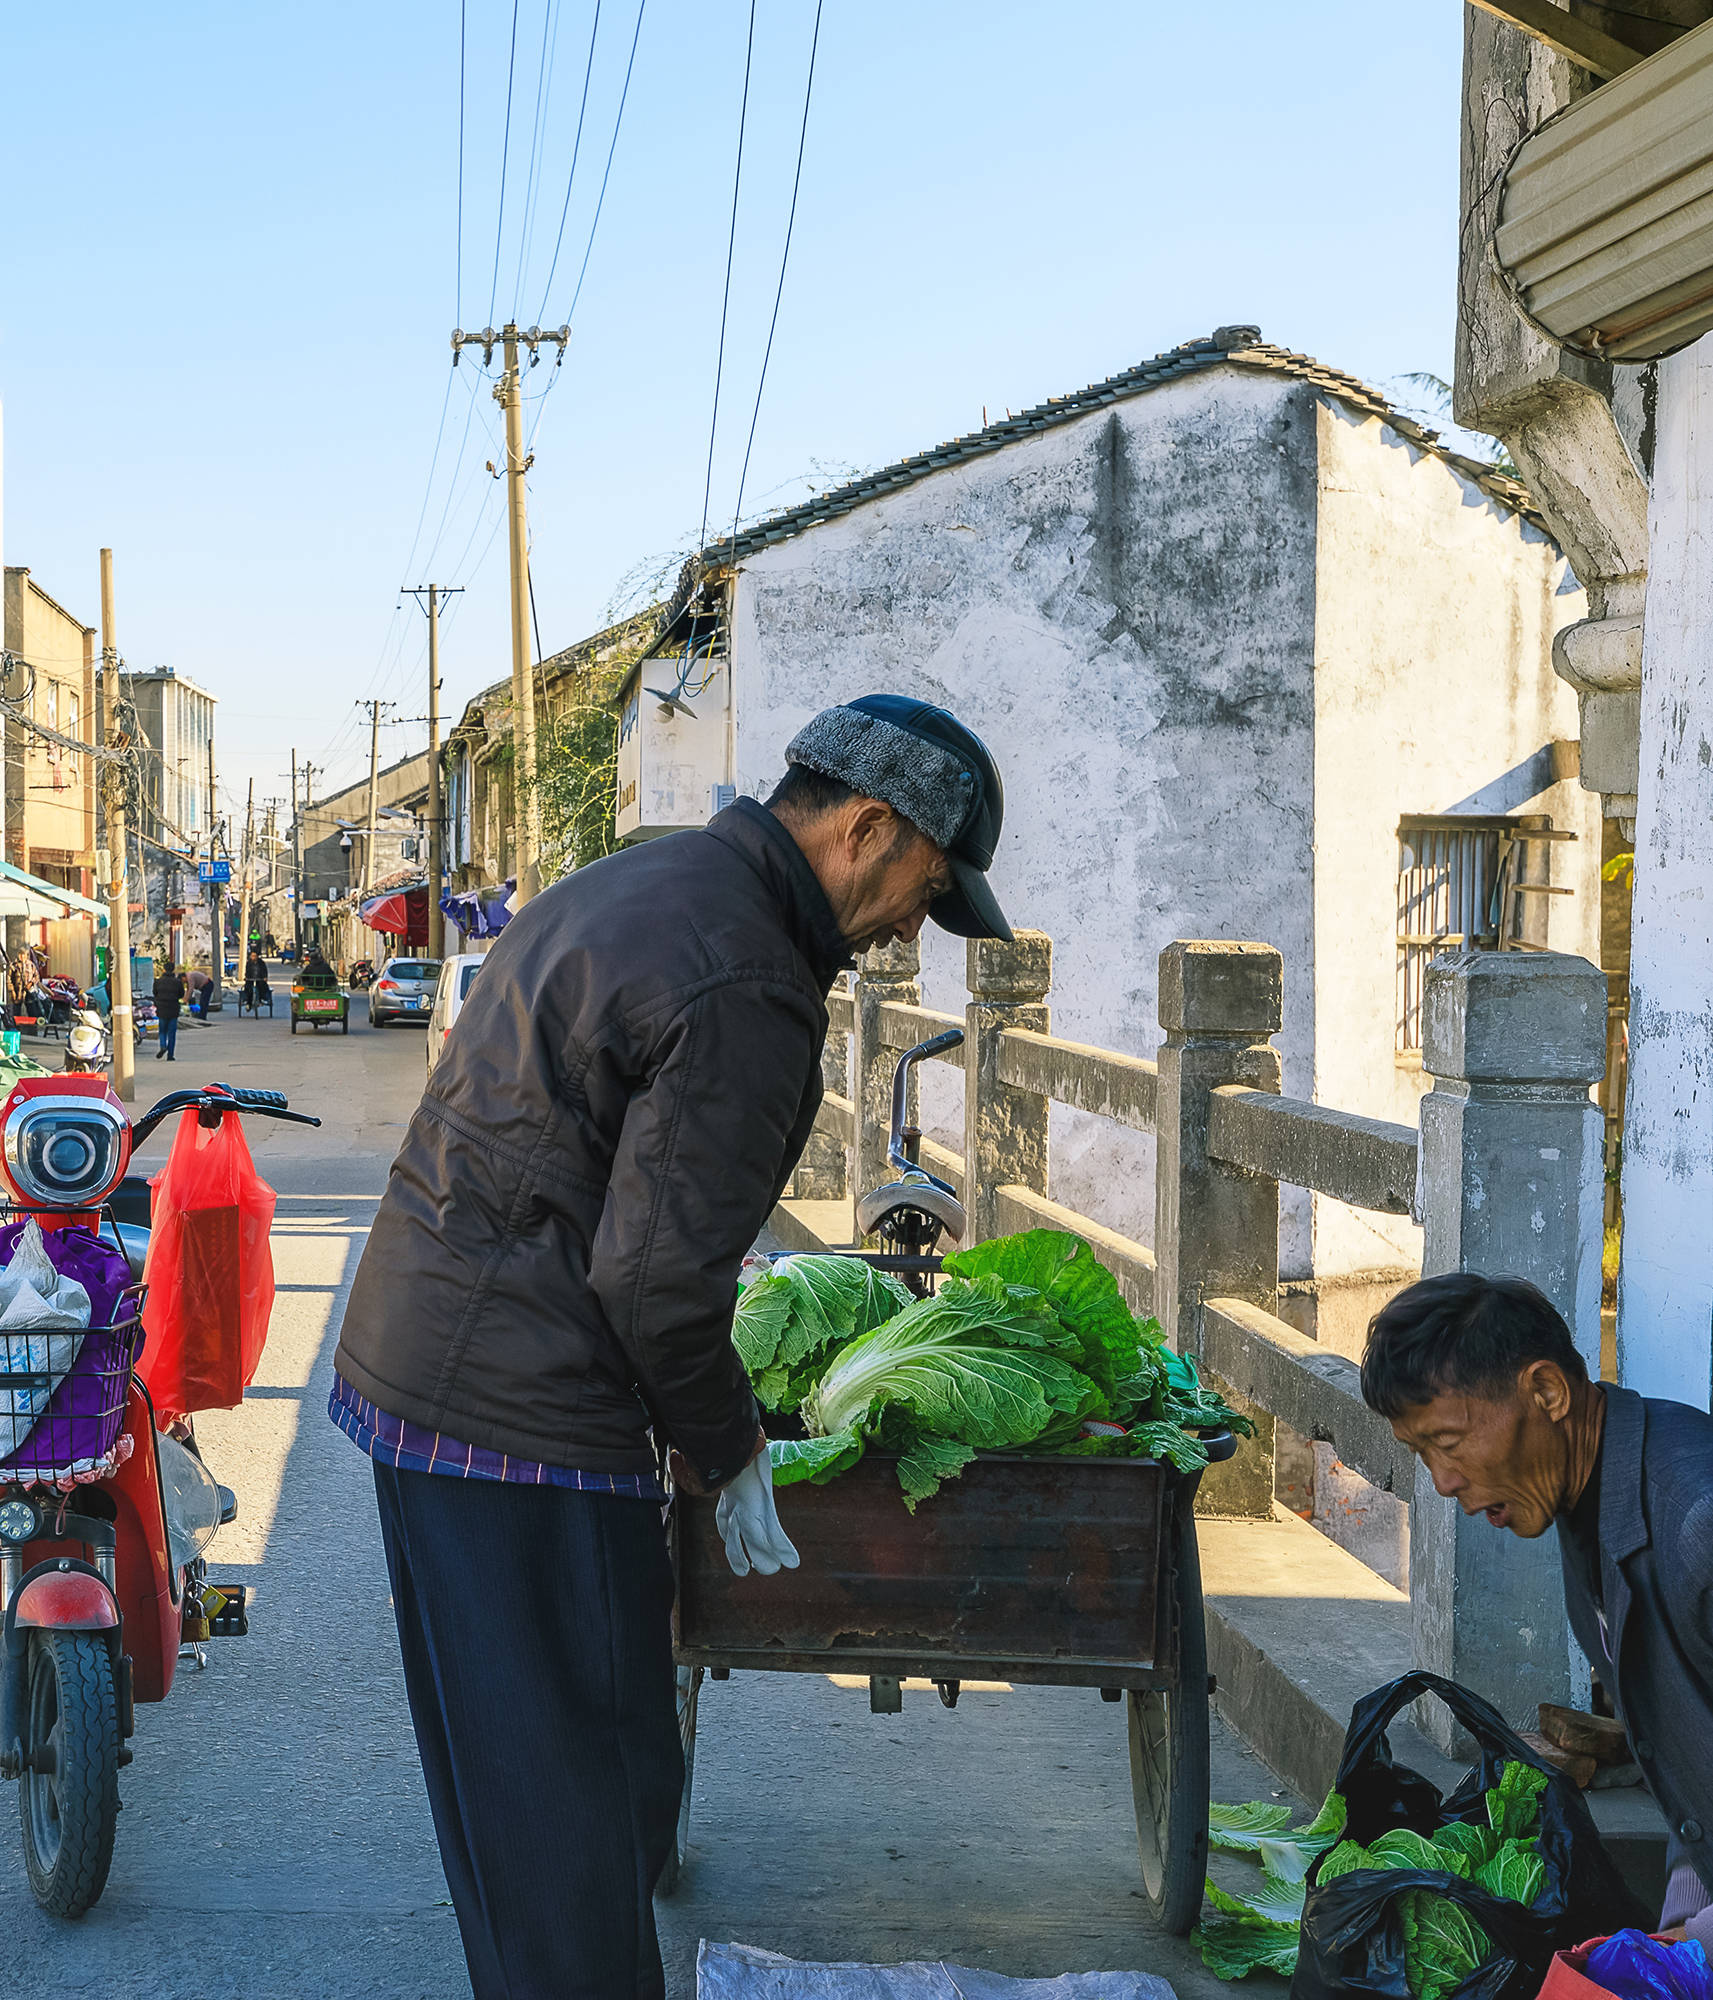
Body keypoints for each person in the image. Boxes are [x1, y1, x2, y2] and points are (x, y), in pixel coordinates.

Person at [328, 694, 1013, 1998]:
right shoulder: (753, 971)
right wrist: (728, 1444)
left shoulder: (659, 876)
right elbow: (650, 1277)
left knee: (528, 1797)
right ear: (865, 829)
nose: (914, 928)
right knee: (574, 1821)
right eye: (925, 889)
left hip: (422, 1370)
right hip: (521, 1417)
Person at [1361, 1273, 1713, 1945]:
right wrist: (1675, 1937)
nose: (1443, 1482)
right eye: (1421, 1453)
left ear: (1546, 1392)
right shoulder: (1589, 1493)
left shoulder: (1696, 1521)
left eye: (1449, 1440)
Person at [153, 961, 186, 1061]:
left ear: (163, 969)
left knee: (162, 1031)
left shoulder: (158, 982)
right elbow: (181, 994)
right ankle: (170, 1055)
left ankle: (163, 1045)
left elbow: (155, 993)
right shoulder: (177, 982)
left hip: (162, 1009)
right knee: (172, 1033)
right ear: (173, 970)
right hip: (173, 1009)